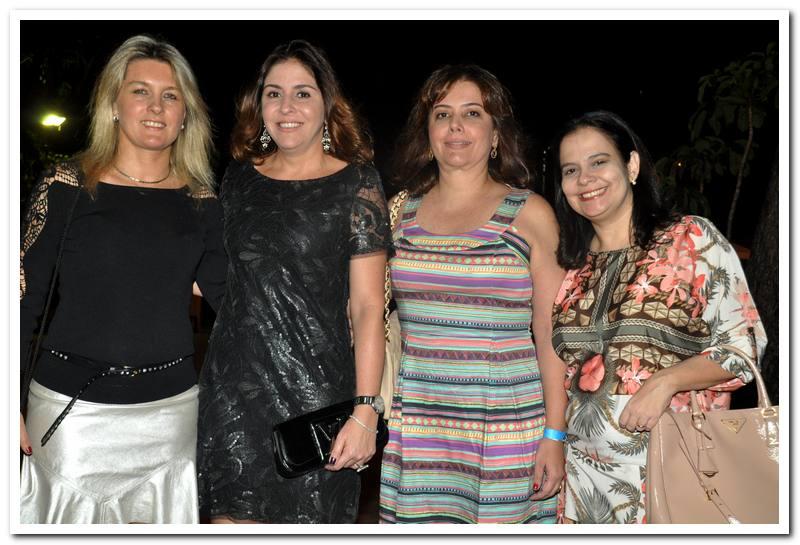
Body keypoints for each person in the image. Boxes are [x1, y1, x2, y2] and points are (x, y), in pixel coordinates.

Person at [19, 35, 226, 524]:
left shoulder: (202, 201)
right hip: (71, 416)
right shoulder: (67, 185)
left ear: (186, 114)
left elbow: (234, 301)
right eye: (140, 91)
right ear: (113, 104)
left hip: (171, 417)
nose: (155, 106)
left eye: (170, 95)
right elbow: (22, 299)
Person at [196, 40, 390, 524]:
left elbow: (368, 306)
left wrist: (366, 410)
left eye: (303, 93)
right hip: (233, 394)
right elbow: (218, 275)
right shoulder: (237, 180)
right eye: (274, 93)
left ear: (327, 104)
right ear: (259, 105)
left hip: (318, 397)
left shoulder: (357, 183)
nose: (287, 107)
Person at [549, 110, 767, 524]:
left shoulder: (690, 239)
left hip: (671, 471)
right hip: (583, 485)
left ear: (631, 165)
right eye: (571, 170)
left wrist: (666, 382)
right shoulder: (574, 267)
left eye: (599, 162)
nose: (585, 179)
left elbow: (745, 345)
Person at [378, 65, 567, 524]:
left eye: (473, 113)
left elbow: (551, 334)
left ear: (496, 133)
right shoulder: (398, 213)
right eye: (442, 114)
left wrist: (555, 434)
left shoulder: (531, 213)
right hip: (420, 428)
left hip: (505, 430)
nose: (456, 126)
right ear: (428, 133)